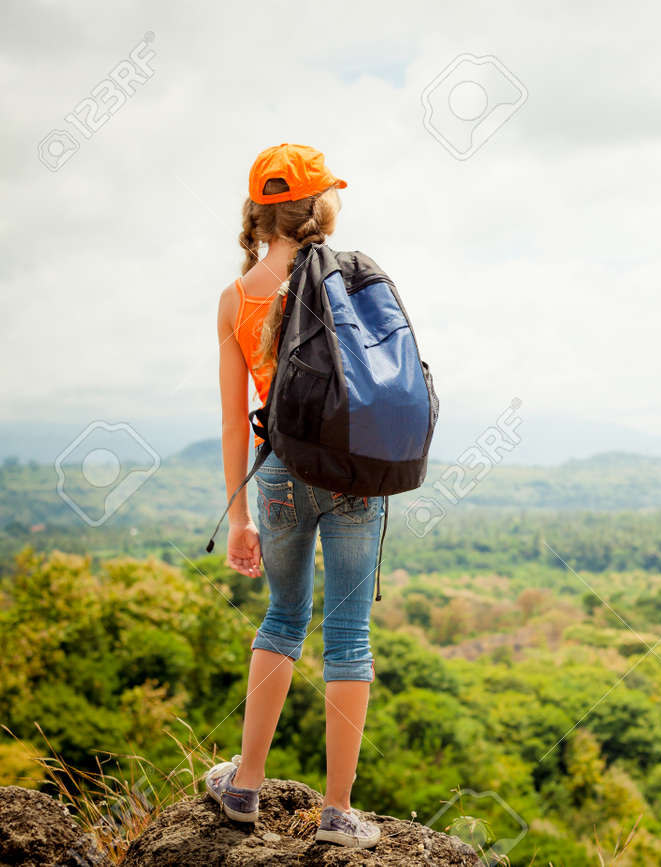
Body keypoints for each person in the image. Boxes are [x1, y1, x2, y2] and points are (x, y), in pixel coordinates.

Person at [203, 143, 383, 849]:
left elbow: (230, 418)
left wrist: (238, 516)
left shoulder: (235, 298)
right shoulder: (348, 277)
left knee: (282, 618)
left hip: (277, 474)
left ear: (258, 213)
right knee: (349, 637)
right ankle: (337, 813)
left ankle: (244, 782)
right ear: (320, 209)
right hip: (352, 475)